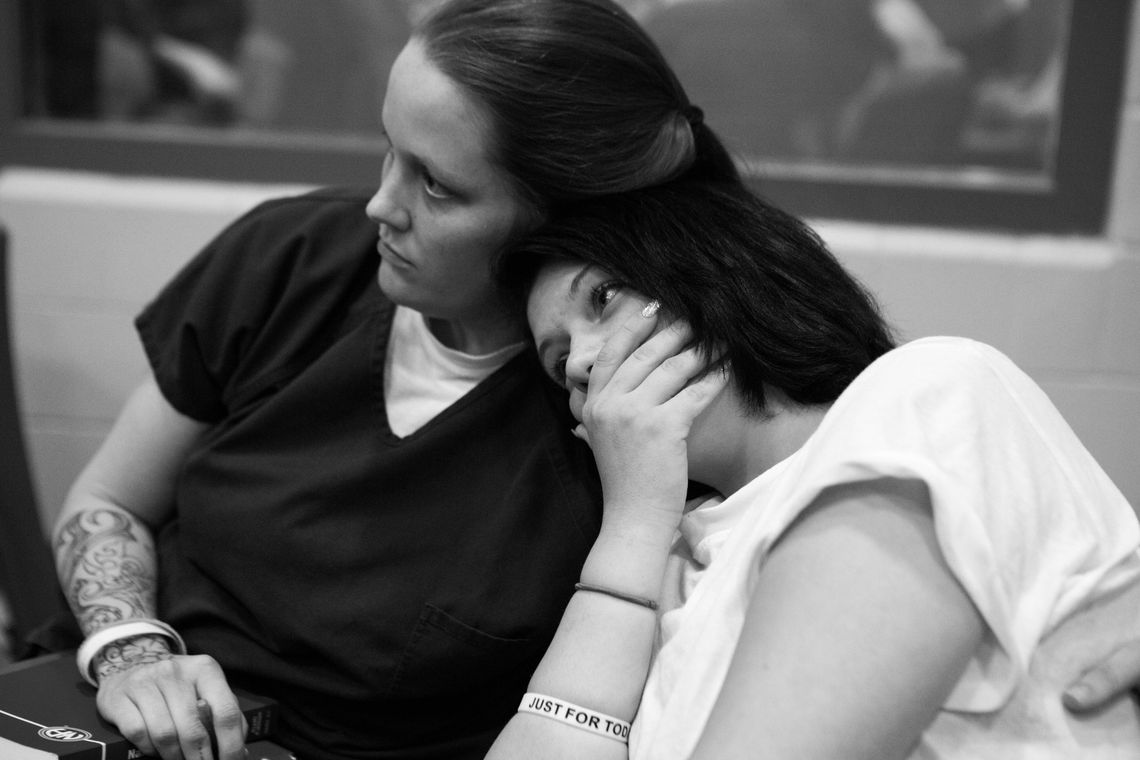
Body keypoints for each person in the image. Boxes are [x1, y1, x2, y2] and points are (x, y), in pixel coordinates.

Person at [41, 2, 741, 760]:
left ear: (562, 220)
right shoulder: (291, 257)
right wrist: (133, 654)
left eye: (436, 187)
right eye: (389, 150)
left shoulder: (612, 406)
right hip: (104, 712)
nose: (381, 204)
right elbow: (108, 502)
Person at [487, 178, 1140, 759]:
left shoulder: (925, 393)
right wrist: (633, 524)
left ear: (717, 264)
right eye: (558, 361)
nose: (580, 365)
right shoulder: (668, 565)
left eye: (601, 298)